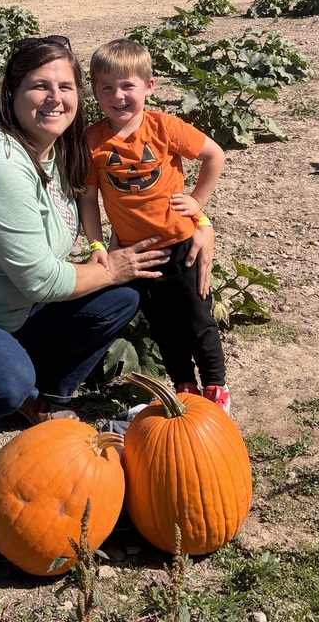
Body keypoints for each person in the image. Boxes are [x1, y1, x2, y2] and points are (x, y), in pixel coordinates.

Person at [0, 35, 213, 489]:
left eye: (66, 87)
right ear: (12, 94)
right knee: (5, 376)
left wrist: (201, 220)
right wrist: (109, 266)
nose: (55, 98)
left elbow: (139, 199)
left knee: (120, 296)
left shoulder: (61, 149)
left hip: (11, 308)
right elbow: (41, 279)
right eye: (40, 86)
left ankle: (41, 396)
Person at [79, 38, 231, 413]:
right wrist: (97, 245)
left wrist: (197, 202)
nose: (118, 96)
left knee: (198, 320)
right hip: (137, 255)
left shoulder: (165, 128)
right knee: (164, 328)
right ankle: (183, 387)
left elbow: (215, 155)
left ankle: (216, 388)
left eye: (128, 85)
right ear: (95, 92)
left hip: (181, 244)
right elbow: (88, 198)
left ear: (149, 86)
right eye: (107, 88)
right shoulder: (92, 141)